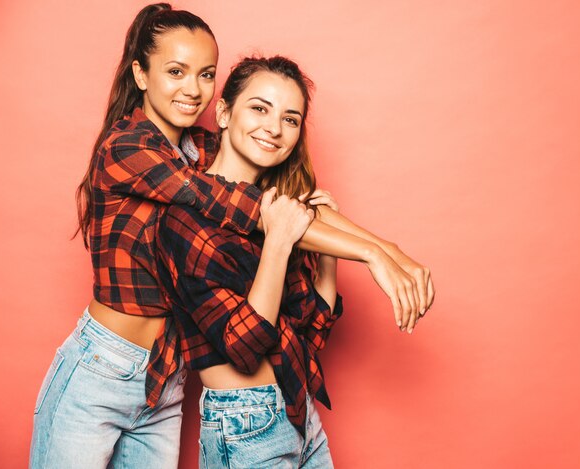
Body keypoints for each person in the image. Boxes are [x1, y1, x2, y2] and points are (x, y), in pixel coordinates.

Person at [30, 3, 434, 468]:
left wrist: (387, 249)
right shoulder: (128, 148)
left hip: (165, 378)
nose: (193, 90)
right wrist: (375, 254)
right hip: (102, 366)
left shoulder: (199, 148)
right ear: (140, 74)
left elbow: (288, 203)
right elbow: (250, 208)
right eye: (176, 71)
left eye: (206, 74)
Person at [155, 55, 419, 468]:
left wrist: (327, 253)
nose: (274, 128)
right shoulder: (187, 219)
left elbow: (313, 333)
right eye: (259, 108)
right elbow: (243, 350)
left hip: (300, 416)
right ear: (223, 113)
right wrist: (282, 242)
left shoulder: (281, 212)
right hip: (243, 427)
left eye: (290, 119)